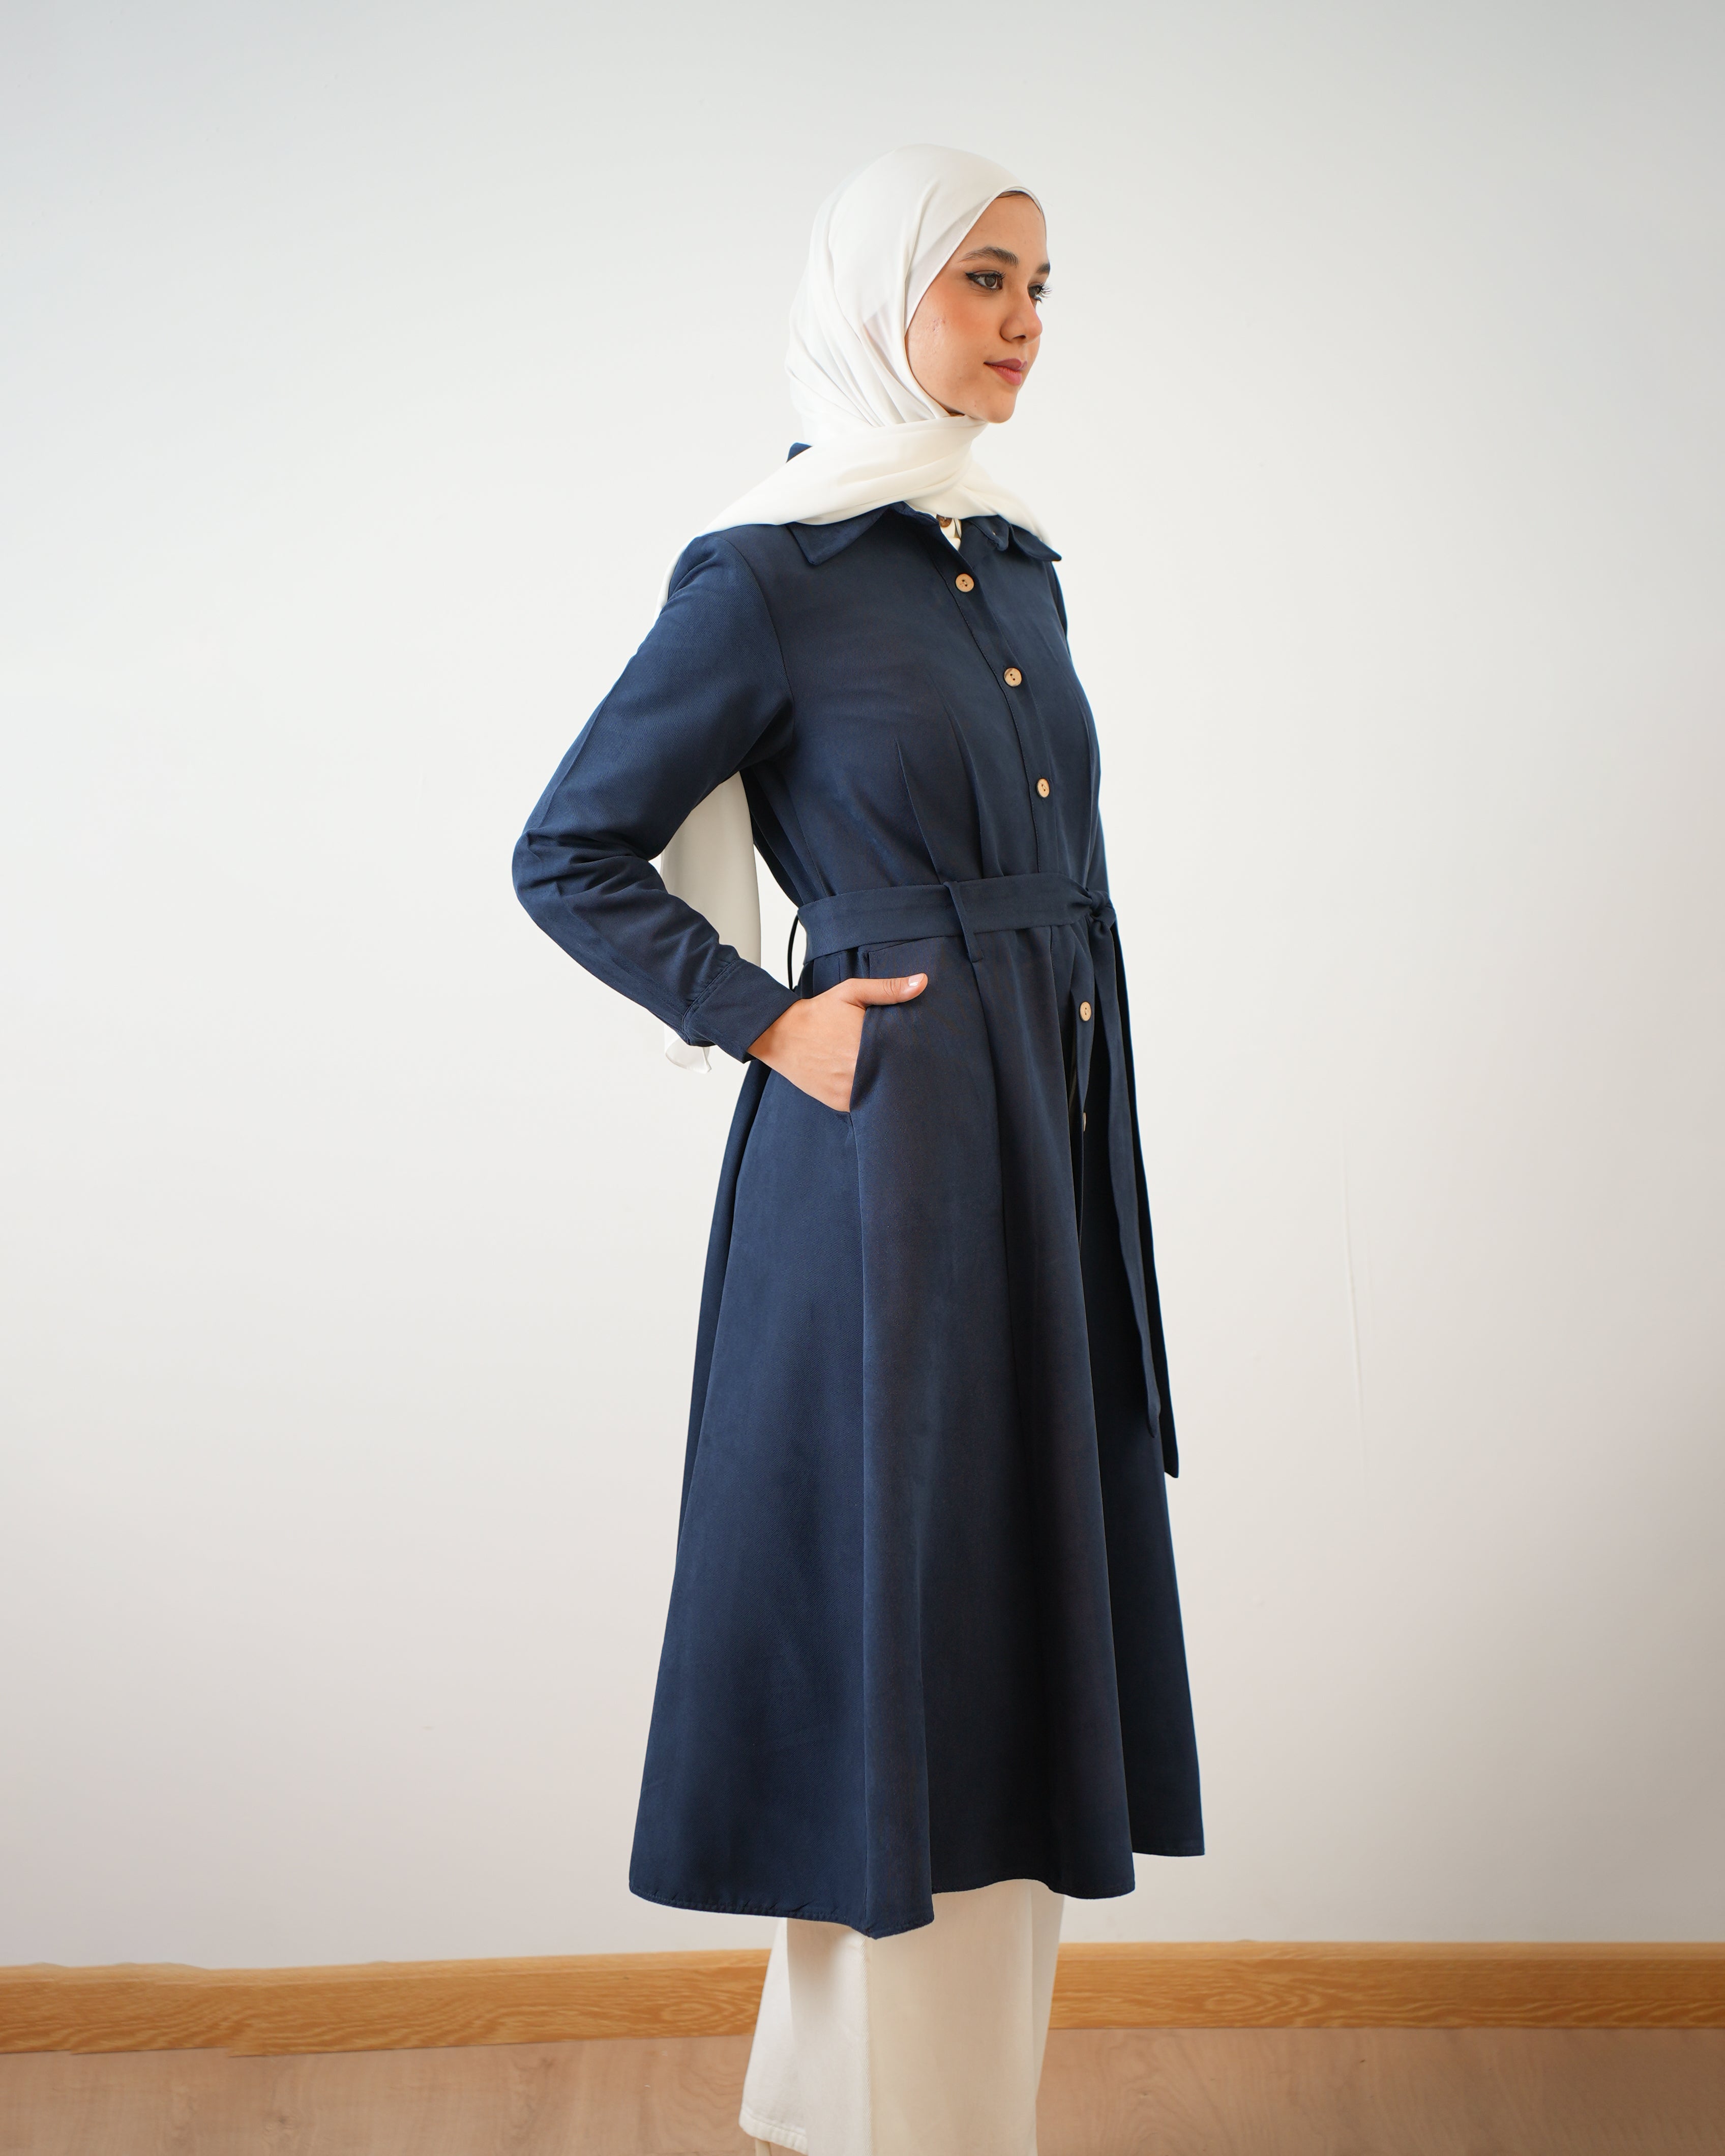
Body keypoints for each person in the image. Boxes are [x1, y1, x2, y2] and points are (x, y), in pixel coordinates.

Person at [513, 143, 1202, 2156]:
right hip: (888, 1167)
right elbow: (569, 850)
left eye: (1041, 286)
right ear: (871, 294)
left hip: (1049, 1144)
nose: (1022, 322)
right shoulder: (765, 576)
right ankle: (893, 2114)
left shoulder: (1014, 564)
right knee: (905, 1600)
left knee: (1013, 1603)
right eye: (981, 278)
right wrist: (764, 1012)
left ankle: (910, 2112)